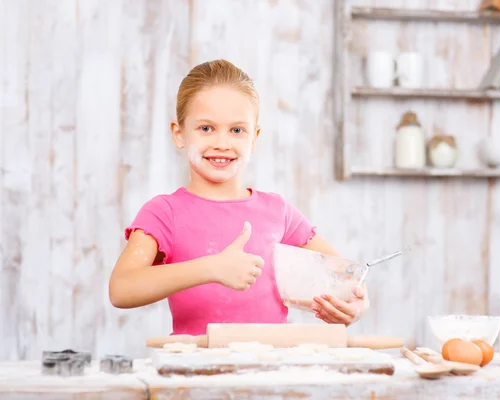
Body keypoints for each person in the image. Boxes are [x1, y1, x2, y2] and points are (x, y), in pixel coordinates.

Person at [108, 59, 368, 335]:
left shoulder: (278, 212)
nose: (222, 143)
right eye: (206, 128)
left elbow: (346, 277)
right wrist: (211, 268)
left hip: (267, 372)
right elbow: (121, 289)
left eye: (236, 130)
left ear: (254, 138)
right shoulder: (164, 213)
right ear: (179, 133)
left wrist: (357, 303)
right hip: (195, 372)